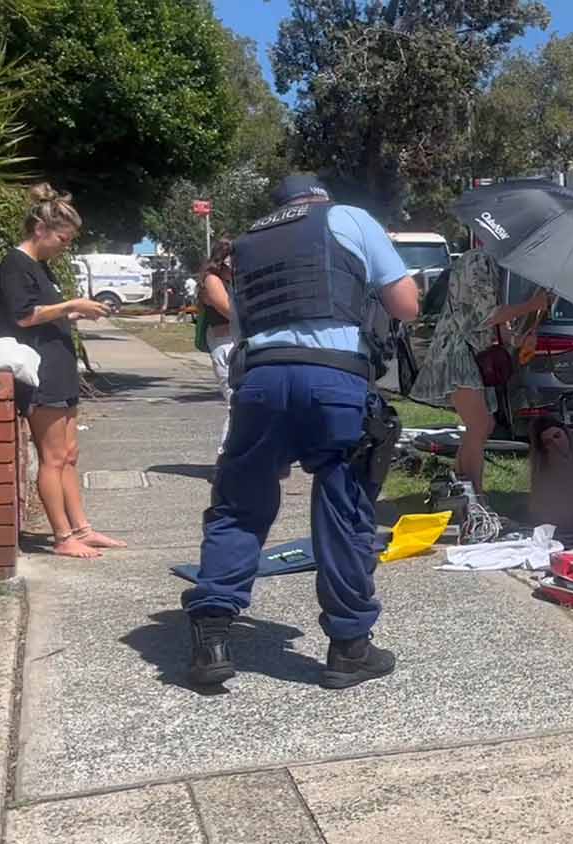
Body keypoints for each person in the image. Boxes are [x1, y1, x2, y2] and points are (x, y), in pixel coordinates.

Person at [181, 174, 419, 690]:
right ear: (321, 199)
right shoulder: (349, 218)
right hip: (334, 378)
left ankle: (212, 637)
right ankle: (349, 648)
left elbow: (242, 323)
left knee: (239, 505)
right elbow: (407, 305)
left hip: (261, 382)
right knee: (344, 508)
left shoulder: (247, 244)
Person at [0, 184, 122, 559]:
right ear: (40, 230)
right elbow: (23, 315)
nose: (65, 245)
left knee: (69, 453)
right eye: (62, 238)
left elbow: (45, 310)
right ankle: (62, 536)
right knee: (52, 457)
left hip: (59, 366)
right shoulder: (15, 264)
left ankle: (83, 528)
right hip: (40, 371)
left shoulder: (41, 267)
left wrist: (76, 310)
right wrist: (69, 305)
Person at [410, 250, 551, 498]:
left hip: (470, 353)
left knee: (483, 425)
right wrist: (530, 305)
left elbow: (497, 326)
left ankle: (460, 491)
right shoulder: (478, 262)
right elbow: (486, 316)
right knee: (479, 425)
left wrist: (520, 339)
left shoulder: (493, 265)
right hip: (458, 352)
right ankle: (475, 495)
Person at [197, 238, 237, 457]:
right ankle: (225, 457)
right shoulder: (212, 281)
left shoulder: (228, 280)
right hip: (225, 346)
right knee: (237, 403)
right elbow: (231, 312)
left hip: (235, 343)